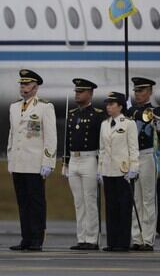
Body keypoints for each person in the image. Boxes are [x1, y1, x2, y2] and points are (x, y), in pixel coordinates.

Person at [7, 69, 57, 251]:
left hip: (35, 164)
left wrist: (48, 162)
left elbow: (51, 138)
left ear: (36, 88)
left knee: (36, 203)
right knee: (23, 202)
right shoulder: (14, 107)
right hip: (18, 163)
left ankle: (37, 239)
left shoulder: (45, 107)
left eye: (27, 85)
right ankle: (26, 238)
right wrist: (10, 159)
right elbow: (12, 135)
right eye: (22, 84)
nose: (23, 88)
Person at [62, 78, 105, 250]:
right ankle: (81, 237)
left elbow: (102, 142)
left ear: (90, 93)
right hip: (74, 159)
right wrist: (65, 162)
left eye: (81, 92)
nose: (77, 94)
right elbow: (67, 139)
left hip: (90, 159)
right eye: (76, 91)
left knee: (90, 201)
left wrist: (101, 165)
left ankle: (92, 239)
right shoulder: (72, 114)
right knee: (78, 202)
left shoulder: (98, 115)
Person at [97, 91, 138, 252]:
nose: (108, 107)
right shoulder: (104, 124)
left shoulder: (128, 123)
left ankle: (123, 242)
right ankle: (112, 242)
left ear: (120, 106)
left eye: (112, 104)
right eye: (107, 104)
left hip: (123, 171)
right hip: (108, 170)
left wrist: (134, 167)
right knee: (111, 207)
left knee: (124, 207)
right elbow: (102, 149)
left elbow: (133, 148)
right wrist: (100, 169)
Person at [125, 76, 160, 250]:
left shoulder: (153, 111)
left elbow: (148, 118)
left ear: (150, 92)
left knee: (148, 199)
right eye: (136, 91)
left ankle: (148, 239)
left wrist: (131, 111)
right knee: (136, 200)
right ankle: (137, 238)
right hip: (132, 157)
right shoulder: (130, 111)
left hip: (147, 156)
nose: (138, 94)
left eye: (141, 90)